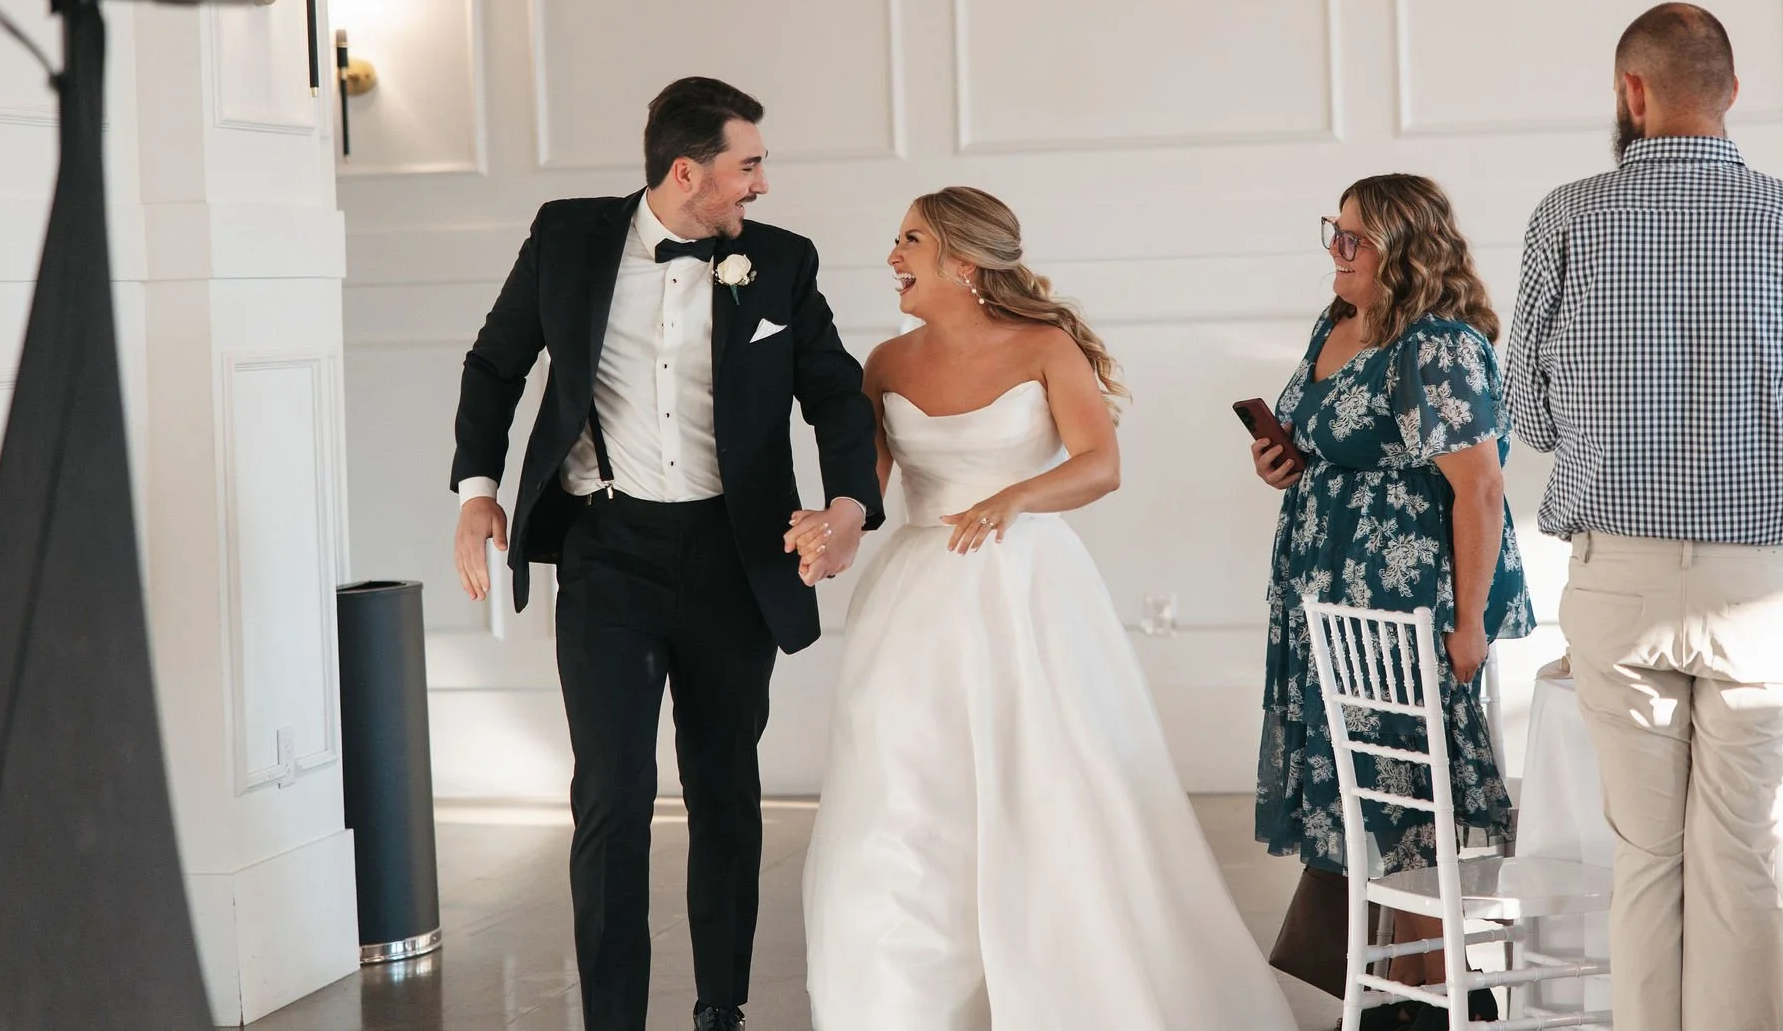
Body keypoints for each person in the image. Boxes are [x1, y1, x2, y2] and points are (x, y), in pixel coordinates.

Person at [801, 186, 1296, 1030]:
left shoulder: (1045, 345)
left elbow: (1100, 464)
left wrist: (1015, 498)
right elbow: (866, 490)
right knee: (906, 792)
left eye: (909, 239)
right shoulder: (885, 364)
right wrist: (835, 527)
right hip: (915, 600)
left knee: (1049, 783)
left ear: (963, 259)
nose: (892, 255)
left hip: (1022, 588)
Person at [448, 77, 884, 1031]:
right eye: (749, 165)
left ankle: (720, 1005)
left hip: (734, 556)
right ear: (687, 171)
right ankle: (611, 1018)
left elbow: (839, 395)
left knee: (725, 784)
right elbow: (496, 362)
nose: (762, 185)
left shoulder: (780, 263)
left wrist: (849, 504)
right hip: (609, 550)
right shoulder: (567, 236)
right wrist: (478, 493)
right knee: (611, 791)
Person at [1505, 3, 1783, 1031]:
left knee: (1644, 860)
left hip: (1615, 581)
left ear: (1631, 93)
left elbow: (1525, 417)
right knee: (1739, 859)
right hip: (1758, 589)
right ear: (1728, 92)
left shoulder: (1565, 217)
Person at [1251, 173, 1533, 1030]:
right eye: (1331, 232)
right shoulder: (1335, 323)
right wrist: (1284, 462)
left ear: (1404, 250)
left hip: (1408, 607)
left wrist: (1469, 622)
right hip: (1327, 600)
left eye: (1354, 239)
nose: (1336, 252)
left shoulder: (1437, 345)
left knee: (1413, 813)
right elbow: (1331, 442)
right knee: (1358, 805)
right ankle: (1405, 999)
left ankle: (1444, 1006)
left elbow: (1478, 490)